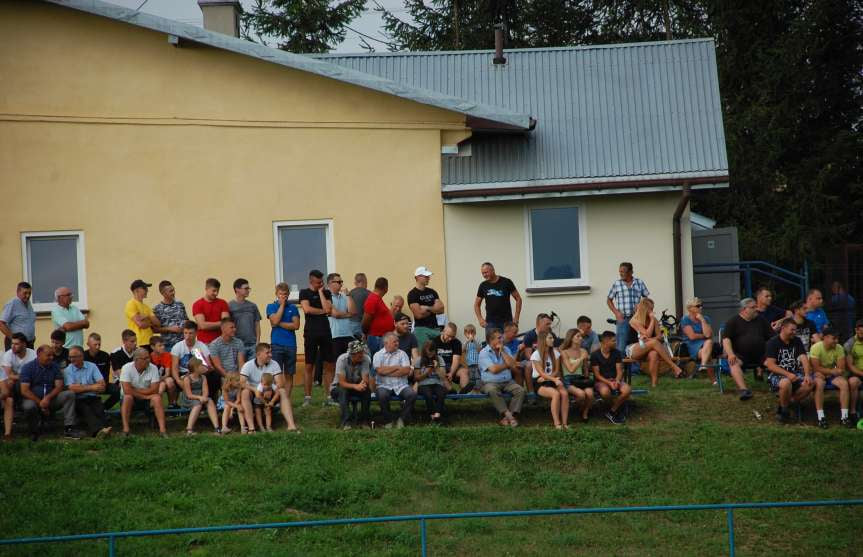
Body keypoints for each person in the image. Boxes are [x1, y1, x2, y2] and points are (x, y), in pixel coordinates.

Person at [20, 345, 80, 440]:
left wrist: (47, 398)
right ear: (39, 354)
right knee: (28, 406)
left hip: (51, 399)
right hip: (34, 400)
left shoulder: (55, 366)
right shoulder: (28, 368)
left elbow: (59, 386)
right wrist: (40, 402)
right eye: (48, 355)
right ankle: (34, 430)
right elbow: (24, 390)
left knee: (69, 394)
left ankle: (69, 428)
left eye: (52, 355)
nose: (51, 358)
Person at [721, 298, 773, 400]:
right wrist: (731, 354)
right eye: (753, 307)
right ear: (744, 309)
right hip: (741, 356)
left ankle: (779, 385)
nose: (756, 309)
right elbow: (726, 340)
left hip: (762, 355)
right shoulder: (733, 322)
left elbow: (772, 337)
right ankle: (744, 390)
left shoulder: (761, 320)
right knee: (733, 363)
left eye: (756, 307)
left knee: (776, 359)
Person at [764, 318, 814, 424]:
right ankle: (784, 412)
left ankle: (785, 404)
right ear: (783, 328)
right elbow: (770, 365)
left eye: (795, 330)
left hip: (795, 373)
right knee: (786, 383)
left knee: (809, 384)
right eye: (792, 330)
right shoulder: (772, 343)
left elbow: (804, 358)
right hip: (777, 374)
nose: (794, 332)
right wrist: (788, 374)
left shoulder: (797, 341)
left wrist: (807, 375)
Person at [240, 342, 297, 432]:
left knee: (282, 391)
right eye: (267, 353)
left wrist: (269, 390)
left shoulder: (274, 364)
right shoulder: (248, 365)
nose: (270, 355)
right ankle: (251, 428)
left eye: (270, 352)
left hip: (271, 392)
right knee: (244, 393)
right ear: (259, 354)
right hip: (254, 393)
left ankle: (291, 425)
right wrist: (255, 390)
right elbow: (242, 383)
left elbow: (280, 383)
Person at [627, 298, 684, 386]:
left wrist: (649, 339)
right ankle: (674, 367)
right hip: (634, 348)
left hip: (648, 347)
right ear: (645, 309)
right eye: (651, 309)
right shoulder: (634, 321)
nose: (653, 311)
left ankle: (654, 384)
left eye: (653, 308)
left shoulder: (654, 320)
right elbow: (648, 334)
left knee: (654, 353)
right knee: (654, 342)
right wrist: (652, 320)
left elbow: (659, 337)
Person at [299, 269, 335, 407]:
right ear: (311, 281)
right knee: (309, 365)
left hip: (325, 332)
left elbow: (329, 309)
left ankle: (329, 396)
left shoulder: (326, 293)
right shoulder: (304, 292)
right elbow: (307, 309)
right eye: (317, 282)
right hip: (311, 333)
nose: (320, 284)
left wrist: (320, 292)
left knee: (329, 365)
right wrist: (322, 311)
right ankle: (308, 397)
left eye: (322, 282)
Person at [809, 326, 854, 428]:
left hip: (830, 374)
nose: (836, 341)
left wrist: (829, 373)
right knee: (819, 383)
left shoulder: (839, 348)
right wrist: (830, 371)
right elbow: (816, 368)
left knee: (844, 383)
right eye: (834, 338)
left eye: (837, 338)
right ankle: (821, 417)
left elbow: (841, 369)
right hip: (819, 374)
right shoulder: (816, 347)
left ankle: (844, 417)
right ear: (825, 338)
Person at [478, 329, 524, 427]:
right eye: (499, 338)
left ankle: (507, 417)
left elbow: (513, 365)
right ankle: (509, 417)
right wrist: (506, 365)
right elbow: (494, 369)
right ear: (491, 340)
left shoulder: (505, 349)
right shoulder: (484, 353)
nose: (502, 339)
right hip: (489, 383)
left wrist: (502, 351)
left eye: (501, 337)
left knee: (520, 390)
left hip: (507, 382)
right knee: (492, 390)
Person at [64, 346, 111, 438]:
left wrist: (81, 387)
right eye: (70, 357)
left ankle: (104, 430)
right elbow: (73, 389)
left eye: (74, 357)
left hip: (93, 397)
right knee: (86, 410)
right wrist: (92, 387)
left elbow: (101, 385)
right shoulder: (67, 370)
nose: (71, 359)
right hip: (78, 399)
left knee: (99, 409)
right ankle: (98, 432)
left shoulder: (92, 366)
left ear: (82, 356)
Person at [119, 348, 167, 437]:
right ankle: (126, 430)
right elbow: (127, 390)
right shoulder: (126, 368)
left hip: (147, 398)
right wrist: (145, 396)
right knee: (127, 397)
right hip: (133, 398)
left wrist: (135, 389)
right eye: (145, 359)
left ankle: (163, 431)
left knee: (156, 398)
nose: (148, 360)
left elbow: (155, 389)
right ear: (136, 360)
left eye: (148, 357)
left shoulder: (153, 368)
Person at [373, 332, 416, 428]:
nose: (397, 343)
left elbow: (406, 370)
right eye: (394, 342)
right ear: (386, 343)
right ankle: (388, 420)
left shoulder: (402, 353)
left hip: (401, 385)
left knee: (412, 394)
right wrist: (397, 367)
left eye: (397, 341)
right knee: (382, 395)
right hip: (384, 384)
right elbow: (379, 371)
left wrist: (387, 371)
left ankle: (402, 418)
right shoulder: (378, 355)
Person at [590, 331, 632, 424]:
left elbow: (620, 370)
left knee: (627, 390)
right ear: (606, 341)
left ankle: (611, 411)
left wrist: (617, 381)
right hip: (601, 381)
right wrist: (609, 383)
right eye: (613, 341)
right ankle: (618, 407)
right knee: (605, 392)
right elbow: (597, 375)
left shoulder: (617, 353)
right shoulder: (595, 355)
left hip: (614, 378)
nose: (616, 342)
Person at [607, 262, 649, 355]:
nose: (621, 273)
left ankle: (635, 369)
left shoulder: (639, 282)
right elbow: (609, 300)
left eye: (623, 271)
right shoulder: (617, 284)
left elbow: (646, 298)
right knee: (621, 346)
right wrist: (616, 313)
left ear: (631, 272)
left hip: (637, 318)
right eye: (620, 271)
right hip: (623, 319)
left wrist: (641, 305)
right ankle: (621, 368)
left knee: (638, 343)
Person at [266, 283, 300, 398]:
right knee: (276, 374)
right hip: (277, 344)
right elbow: (273, 321)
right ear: (276, 294)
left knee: (289, 374)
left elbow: (296, 325)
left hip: (291, 344)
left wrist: (278, 323)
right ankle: (277, 399)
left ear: (289, 295)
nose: (283, 296)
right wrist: (281, 306)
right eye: (281, 294)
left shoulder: (293, 308)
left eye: (285, 294)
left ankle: (286, 400)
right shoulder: (271, 306)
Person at [329, 340, 372, 429]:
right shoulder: (342, 360)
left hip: (358, 386)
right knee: (343, 390)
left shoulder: (365, 359)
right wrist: (355, 386)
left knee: (367, 390)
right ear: (352, 354)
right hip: (339, 387)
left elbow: (365, 379)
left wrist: (363, 385)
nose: (362, 354)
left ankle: (364, 421)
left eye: (362, 351)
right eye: (359, 352)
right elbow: (341, 382)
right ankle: (346, 422)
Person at [531, 331, 569, 429]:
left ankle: (565, 423)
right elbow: (541, 373)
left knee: (564, 394)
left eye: (552, 338)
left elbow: (556, 370)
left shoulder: (555, 353)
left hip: (550, 379)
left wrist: (551, 379)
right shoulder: (536, 355)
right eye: (550, 338)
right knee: (555, 394)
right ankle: (557, 423)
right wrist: (552, 379)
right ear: (543, 340)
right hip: (539, 382)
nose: (553, 340)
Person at [474, 262, 522, 339]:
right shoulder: (483, 285)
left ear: (493, 270)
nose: (484, 275)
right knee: (493, 347)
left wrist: (516, 318)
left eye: (486, 272)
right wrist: (480, 319)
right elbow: (476, 304)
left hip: (507, 322)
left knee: (508, 345)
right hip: (491, 323)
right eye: (482, 273)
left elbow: (518, 299)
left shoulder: (506, 282)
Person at [559, 328, 594, 422]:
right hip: (568, 379)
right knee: (581, 395)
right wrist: (581, 358)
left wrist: (587, 378)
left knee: (590, 394)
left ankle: (584, 413)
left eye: (581, 336)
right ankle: (577, 406)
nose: (581, 338)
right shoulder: (564, 352)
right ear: (571, 338)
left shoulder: (583, 350)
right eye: (578, 336)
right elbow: (570, 369)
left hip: (580, 378)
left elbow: (586, 369)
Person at [679, 297, 715, 382]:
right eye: (698, 306)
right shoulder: (685, 319)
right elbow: (692, 337)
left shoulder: (705, 318)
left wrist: (702, 320)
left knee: (708, 344)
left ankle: (703, 365)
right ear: (690, 308)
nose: (701, 307)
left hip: (705, 345)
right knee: (708, 353)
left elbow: (709, 335)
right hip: (692, 345)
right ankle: (714, 380)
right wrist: (704, 336)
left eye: (701, 305)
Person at [181, 358, 220, 436]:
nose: (203, 367)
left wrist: (204, 397)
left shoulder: (203, 377)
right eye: (201, 365)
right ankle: (189, 429)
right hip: (190, 398)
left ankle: (217, 428)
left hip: (201, 397)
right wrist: (199, 398)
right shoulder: (187, 378)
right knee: (197, 404)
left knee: (210, 401)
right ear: (195, 368)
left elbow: (205, 391)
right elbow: (189, 394)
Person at [408, 266, 445, 347]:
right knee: (425, 355)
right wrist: (434, 309)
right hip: (421, 330)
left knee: (435, 354)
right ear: (417, 277)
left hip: (435, 328)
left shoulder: (432, 292)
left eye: (428, 276)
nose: (428, 278)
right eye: (426, 276)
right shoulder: (412, 294)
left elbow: (441, 309)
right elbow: (419, 314)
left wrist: (427, 308)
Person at [414, 340, 449, 424]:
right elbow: (417, 378)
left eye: (432, 352)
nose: (431, 354)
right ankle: (432, 414)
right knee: (428, 395)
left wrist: (436, 369)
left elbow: (443, 376)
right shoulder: (419, 360)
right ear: (424, 351)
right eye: (428, 352)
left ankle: (437, 415)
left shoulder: (439, 359)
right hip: (423, 384)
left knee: (441, 393)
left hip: (437, 383)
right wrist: (427, 372)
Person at [171, 321, 212, 390]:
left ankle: (210, 397)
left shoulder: (202, 346)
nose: (187, 336)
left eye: (190, 333)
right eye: (185, 333)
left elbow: (208, 366)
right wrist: (178, 381)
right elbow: (174, 368)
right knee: (173, 381)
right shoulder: (177, 347)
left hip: (198, 372)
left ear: (196, 333)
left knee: (214, 376)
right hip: (183, 373)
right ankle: (174, 401)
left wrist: (199, 372)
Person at [208, 318, 247, 391]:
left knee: (246, 387)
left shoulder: (239, 342)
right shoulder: (214, 344)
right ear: (223, 329)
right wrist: (230, 378)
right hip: (224, 375)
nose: (234, 329)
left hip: (237, 374)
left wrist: (240, 377)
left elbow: (241, 363)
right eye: (231, 327)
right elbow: (218, 366)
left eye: (235, 327)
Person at [433, 323, 472, 393]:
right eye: (449, 336)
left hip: (453, 366)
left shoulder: (457, 342)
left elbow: (456, 360)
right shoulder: (435, 341)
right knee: (441, 372)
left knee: (464, 371)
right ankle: (451, 390)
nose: (450, 339)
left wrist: (451, 373)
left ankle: (463, 392)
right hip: (440, 366)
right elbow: (434, 359)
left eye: (453, 336)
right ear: (443, 331)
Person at [362, 277, 395, 359]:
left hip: (380, 337)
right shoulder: (372, 299)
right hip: (376, 338)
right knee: (377, 362)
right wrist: (366, 333)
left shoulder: (377, 299)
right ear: (386, 288)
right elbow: (366, 320)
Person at [229, 278, 262, 359]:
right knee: (240, 370)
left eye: (249, 288)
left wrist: (258, 341)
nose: (248, 290)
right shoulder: (229, 306)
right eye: (246, 288)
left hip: (252, 345)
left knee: (253, 370)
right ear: (237, 289)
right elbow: (228, 326)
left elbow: (257, 324)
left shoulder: (252, 306)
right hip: (237, 345)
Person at [327, 273, 356, 361]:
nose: (341, 284)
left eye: (341, 282)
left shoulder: (345, 296)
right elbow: (335, 314)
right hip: (335, 335)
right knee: (338, 363)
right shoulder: (326, 296)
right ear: (331, 283)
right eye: (339, 282)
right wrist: (348, 314)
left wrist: (348, 295)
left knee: (350, 363)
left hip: (348, 334)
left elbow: (353, 312)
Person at [152, 280, 188, 351]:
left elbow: (186, 319)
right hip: (169, 346)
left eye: (173, 290)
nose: (173, 293)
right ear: (163, 293)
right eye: (170, 291)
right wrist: (170, 328)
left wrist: (185, 324)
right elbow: (154, 329)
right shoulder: (157, 309)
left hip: (184, 343)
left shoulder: (180, 304)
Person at [1, 332, 36, 404]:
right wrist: (23, 377)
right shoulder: (8, 354)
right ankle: (13, 404)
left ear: (24, 344)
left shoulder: (33, 354)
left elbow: (36, 372)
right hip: (15, 380)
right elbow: (9, 375)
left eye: (16, 344)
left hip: (30, 380)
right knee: (10, 382)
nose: (13, 346)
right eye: (12, 343)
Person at [192, 278, 230, 345]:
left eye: (218, 291)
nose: (216, 293)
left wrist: (207, 324)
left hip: (221, 343)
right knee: (197, 355)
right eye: (214, 291)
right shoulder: (197, 304)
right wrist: (221, 323)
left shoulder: (223, 303)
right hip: (204, 344)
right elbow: (203, 325)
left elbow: (226, 323)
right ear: (206, 289)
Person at [0, 282, 36, 350]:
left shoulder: (28, 303)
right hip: (16, 345)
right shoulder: (12, 303)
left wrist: (32, 336)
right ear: (18, 292)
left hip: (29, 344)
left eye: (29, 293)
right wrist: (14, 339)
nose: (28, 296)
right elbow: (1, 324)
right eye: (25, 293)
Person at [108, 330, 138, 410]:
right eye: (132, 341)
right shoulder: (115, 353)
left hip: (136, 378)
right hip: (120, 380)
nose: (135, 343)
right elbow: (118, 373)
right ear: (124, 341)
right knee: (123, 387)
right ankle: (124, 409)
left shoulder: (138, 352)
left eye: (136, 341)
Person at [124, 279, 158, 349]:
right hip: (139, 342)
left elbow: (157, 323)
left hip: (150, 342)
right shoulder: (131, 304)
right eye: (144, 288)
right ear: (136, 290)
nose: (147, 290)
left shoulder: (146, 307)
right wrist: (150, 321)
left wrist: (146, 317)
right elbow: (141, 324)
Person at [843, 319, 863, 426]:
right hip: (856, 373)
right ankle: (853, 412)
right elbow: (850, 366)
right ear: (856, 330)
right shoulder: (849, 344)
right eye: (861, 332)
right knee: (853, 382)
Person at [148, 336, 177, 406]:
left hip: (163, 378)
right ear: (152, 347)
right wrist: (157, 380)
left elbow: (167, 374)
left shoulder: (167, 355)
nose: (163, 347)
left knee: (169, 381)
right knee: (161, 387)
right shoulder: (148, 357)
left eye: (163, 345)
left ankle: (172, 404)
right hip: (152, 380)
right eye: (160, 346)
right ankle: (155, 407)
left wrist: (160, 379)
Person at [348, 273, 371, 338]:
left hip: (350, 323)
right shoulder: (369, 294)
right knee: (363, 346)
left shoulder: (350, 293)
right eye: (366, 282)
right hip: (363, 325)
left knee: (352, 346)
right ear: (364, 281)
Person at [463, 324, 482, 391]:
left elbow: (479, 350)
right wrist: (467, 342)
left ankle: (478, 388)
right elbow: (463, 350)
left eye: (472, 333)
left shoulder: (478, 341)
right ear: (465, 334)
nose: (470, 334)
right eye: (468, 333)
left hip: (477, 363)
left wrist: (474, 341)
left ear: (475, 333)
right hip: (469, 363)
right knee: (471, 376)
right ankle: (472, 388)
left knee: (478, 376)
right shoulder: (465, 342)